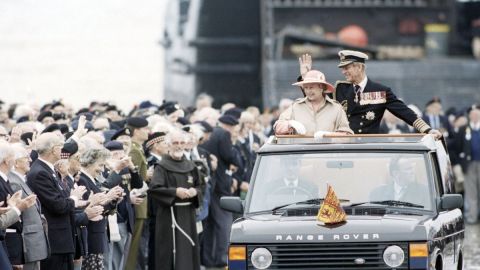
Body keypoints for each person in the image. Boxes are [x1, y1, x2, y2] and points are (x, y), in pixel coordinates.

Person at [298, 52, 442, 137]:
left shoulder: (380, 91)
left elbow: (404, 112)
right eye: (342, 68)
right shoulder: (341, 89)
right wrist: (305, 77)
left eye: (347, 67)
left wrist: (427, 130)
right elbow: (315, 97)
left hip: (367, 149)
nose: (343, 71)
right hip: (342, 146)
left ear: (359, 67)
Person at [26, 133, 87, 270]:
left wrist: (73, 200)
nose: (63, 150)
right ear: (53, 150)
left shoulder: (49, 169)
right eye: (60, 146)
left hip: (62, 240)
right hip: (55, 241)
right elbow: (58, 205)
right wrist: (74, 198)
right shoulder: (40, 172)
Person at [148, 129, 204, 270]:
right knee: (170, 250)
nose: (179, 146)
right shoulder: (161, 167)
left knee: (188, 247)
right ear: (168, 145)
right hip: (169, 215)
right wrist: (175, 192)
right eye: (175, 143)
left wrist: (194, 192)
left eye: (181, 143)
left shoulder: (191, 166)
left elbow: (201, 185)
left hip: (188, 214)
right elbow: (154, 189)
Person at [201, 114, 242, 270]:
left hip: (210, 183)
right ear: (230, 126)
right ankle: (223, 257)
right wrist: (236, 160)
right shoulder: (223, 134)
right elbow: (229, 155)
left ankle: (209, 259)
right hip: (221, 184)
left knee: (210, 224)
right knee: (224, 222)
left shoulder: (212, 133)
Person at [77, 147, 124, 270]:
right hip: (90, 235)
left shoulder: (91, 179)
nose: (102, 170)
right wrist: (108, 196)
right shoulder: (82, 179)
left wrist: (113, 200)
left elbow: (101, 205)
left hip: (97, 234)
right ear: (90, 162)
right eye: (100, 165)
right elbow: (88, 207)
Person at [275, 70, 353, 137]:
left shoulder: (336, 108)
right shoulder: (296, 106)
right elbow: (277, 128)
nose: (308, 91)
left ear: (321, 87)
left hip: (328, 152)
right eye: (306, 88)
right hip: (300, 153)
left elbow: (347, 135)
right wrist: (289, 124)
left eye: (311, 87)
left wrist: (328, 135)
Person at [8, 144, 49, 270]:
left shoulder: (20, 179)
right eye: (26, 157)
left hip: (33, 241)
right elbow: (15, 218)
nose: (30, 160)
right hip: (27, 243)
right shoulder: (14, 182)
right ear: (16, 162)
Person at [125, 117, 150, 270]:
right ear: (137, 131)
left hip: (141, 202)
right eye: (145, 129)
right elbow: (131, 178)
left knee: (135, 245)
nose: (148, 132)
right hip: (137, 201)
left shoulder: (138, 149)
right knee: (132, 247)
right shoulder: (134, 150)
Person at [454, 108, 480, 223]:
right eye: (472, 115)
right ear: (469, 116)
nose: (474, 117)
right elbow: (458, 146)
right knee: (471, 192)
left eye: (477, 115)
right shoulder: (463, 129)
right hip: (469, 165)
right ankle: (472, 217)